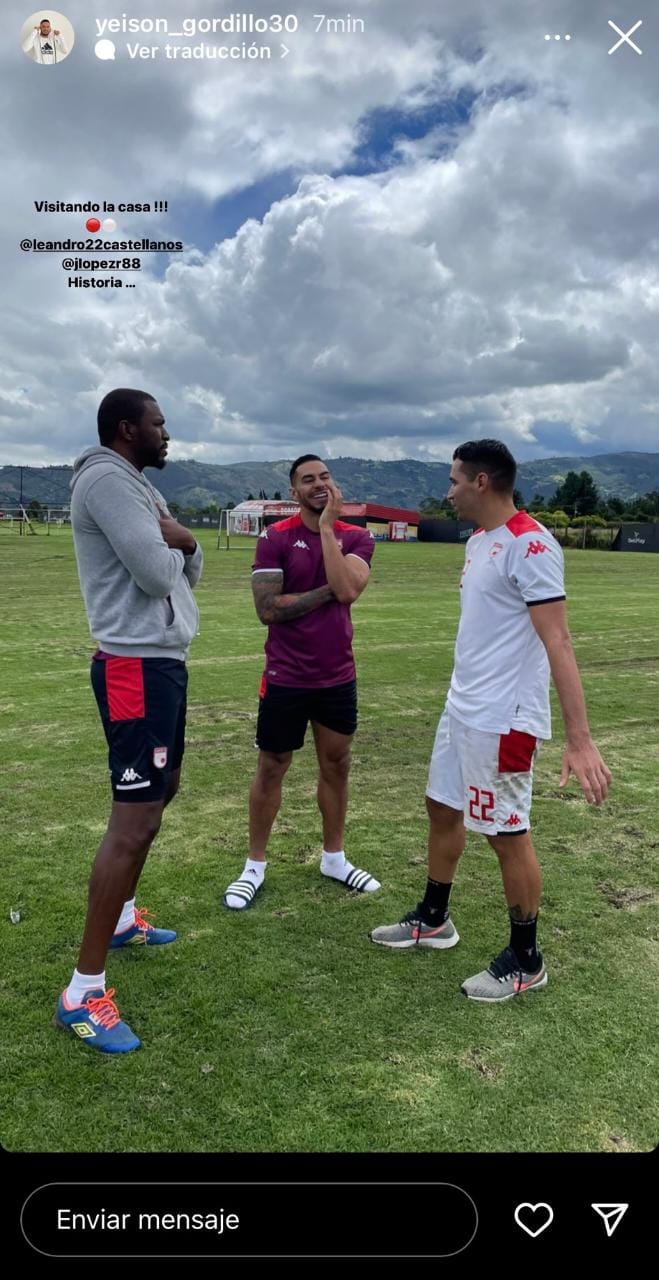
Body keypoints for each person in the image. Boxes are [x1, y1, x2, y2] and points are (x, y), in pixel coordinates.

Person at [370, 439, 611, 1001]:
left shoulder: (532, 546)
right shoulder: (480, 541)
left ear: (482, 481)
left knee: (506, 834)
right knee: (441, 806)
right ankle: (434, 918)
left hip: (505, 719)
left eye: (454, 480)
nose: (448, 490)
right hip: (462, 709)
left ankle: (526, 959)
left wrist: (580, 739)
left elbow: (559, 641)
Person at [55, 389, 203, 1052]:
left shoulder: (142, 487)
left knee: (161, 794)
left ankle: (119, 921)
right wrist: (173, 547)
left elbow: (186, 566)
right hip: (133, 668)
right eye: (158, 423)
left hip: (159, 663)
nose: (166, 433)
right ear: (127, 428)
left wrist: (185, 539)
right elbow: (153, 573)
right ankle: (82, 993)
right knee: (134, 817)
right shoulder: (109, 481)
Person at [223, 455, 380, 910]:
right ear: (294, 492)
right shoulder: (275, 538)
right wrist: (329, 590)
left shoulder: (358, 536)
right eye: (308, 480)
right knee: (272, 766)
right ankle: (254, 866)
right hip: (286, 675)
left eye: (325, 477)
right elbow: (268, 609)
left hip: (337, 676)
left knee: (337, 765)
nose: (319, 485)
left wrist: (328, 531)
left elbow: (350, 589)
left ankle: (334, 858)